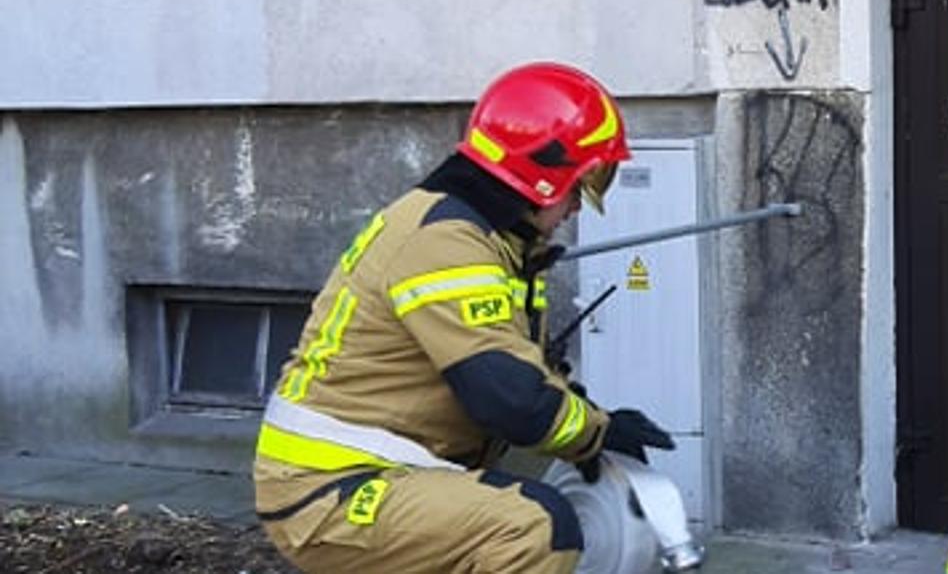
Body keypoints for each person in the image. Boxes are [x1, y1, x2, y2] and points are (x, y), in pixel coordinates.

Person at [253, 62, 676, 574]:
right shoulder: (446, 241)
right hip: (330, 486)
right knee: (530, 527)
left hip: (369, 473)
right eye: (583, 182)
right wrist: (595, 433)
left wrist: (587, 422)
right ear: (543, 174)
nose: (579, 208)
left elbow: (519, 367)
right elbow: (508, 399)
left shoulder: (488, 237)